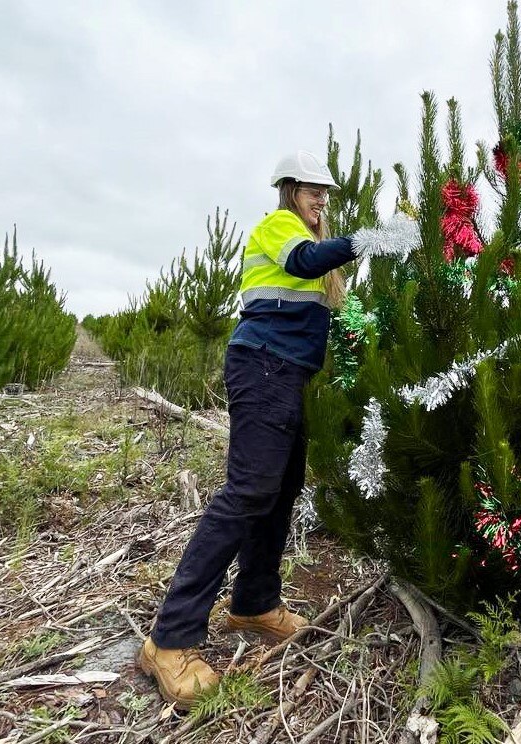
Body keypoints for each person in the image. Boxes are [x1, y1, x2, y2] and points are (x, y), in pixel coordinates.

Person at [139, 150, 358, 709]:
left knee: (279, 491)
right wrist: (371, 240)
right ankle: (169, 639)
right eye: (311, 189)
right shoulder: (278, 226)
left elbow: (320, 291)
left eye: (324, 192)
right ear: (288, 190)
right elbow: (307, 261)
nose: (320, 199)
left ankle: (255, 602)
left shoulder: (307, 235)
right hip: (262, 366)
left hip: (286, 374)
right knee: (249, 491)